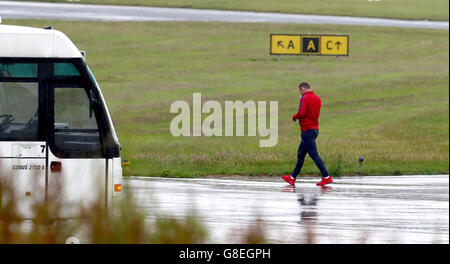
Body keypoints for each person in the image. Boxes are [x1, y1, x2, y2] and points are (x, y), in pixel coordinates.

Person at [282, 82, 333, 186]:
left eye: (300, 91)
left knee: (314, 155)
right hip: (314, 129)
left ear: (302, 88)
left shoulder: (304, 98)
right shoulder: (318, 98)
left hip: (307, 131)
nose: (300, 93)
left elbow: (302, 113)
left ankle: (327, 176)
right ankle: (292, 178)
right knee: (300, 155)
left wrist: (294, 117)